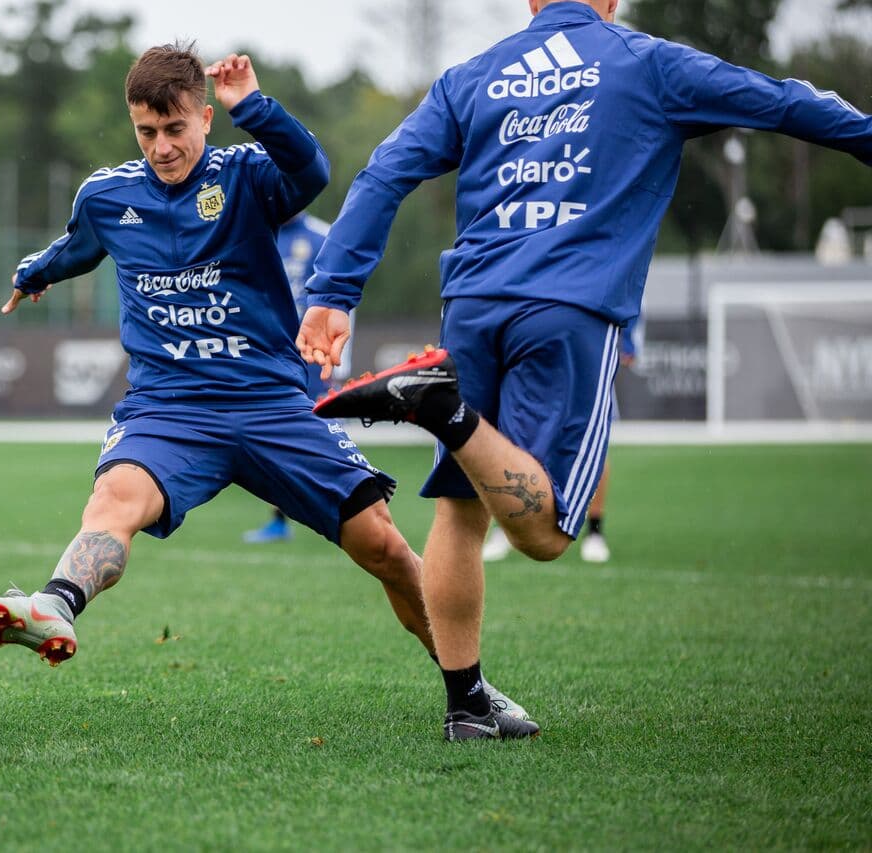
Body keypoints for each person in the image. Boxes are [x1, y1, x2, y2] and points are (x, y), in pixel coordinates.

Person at [297, 0, 871, 740]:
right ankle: (445, 408)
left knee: (459, 513)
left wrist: (333, 292)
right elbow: (786, 102)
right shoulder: (649, 63)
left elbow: (386, 171)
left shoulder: (474, 76)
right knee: (546, 532)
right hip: (567, 307)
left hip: (470, 305)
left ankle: (466, 704)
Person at [0, 43, 528, 736]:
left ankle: (469, 696)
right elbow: (78, 244)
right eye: (147, 132)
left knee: (380, 543)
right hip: (169, 410)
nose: (162, 147)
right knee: (113, 499)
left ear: (205, 118)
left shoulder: (245, 177)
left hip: (271, 403)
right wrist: (35, 272)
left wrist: (254, 107)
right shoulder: (108, 196)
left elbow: (310, 171)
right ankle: (56, 602)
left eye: (176, 129)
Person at [482, 315, 641, 562]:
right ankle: (506, 527)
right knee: (514, 438)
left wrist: (627, 339)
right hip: (534, 347)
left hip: (586, 348)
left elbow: (624, 283)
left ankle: (595, 532)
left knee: (592, 444)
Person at [242, 210, 353, 544]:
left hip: (312, 357)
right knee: (270, 435)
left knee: (320, 433)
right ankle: (279, 519)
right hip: (268, 355)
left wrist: (339, 358)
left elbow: (342, 299)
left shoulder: (323, 237)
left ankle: (350, 504)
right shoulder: (255, 232)